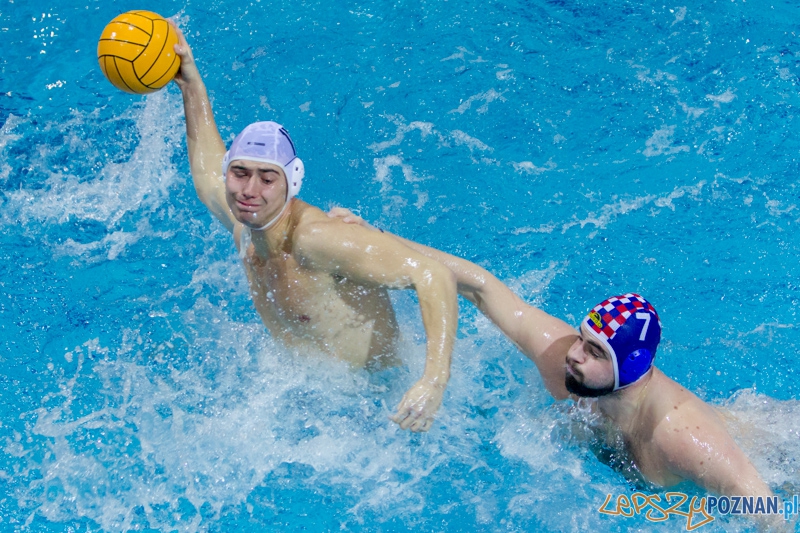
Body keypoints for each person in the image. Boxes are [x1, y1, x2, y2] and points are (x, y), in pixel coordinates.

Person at [329, 209, 775, 501]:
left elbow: (769, 512)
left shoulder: (683, 439)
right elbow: (480, 287)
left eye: (594, 351)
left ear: (632, 368)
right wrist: (377, 239)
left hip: (776, 454)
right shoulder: (569, 363)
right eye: (582, 338)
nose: (574, 355)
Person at [169, 25, 458, 433]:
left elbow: (434, 275)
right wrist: (191, 87)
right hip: (317, 400)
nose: (249, 190)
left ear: (292, 183)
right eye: (239, 173)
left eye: (267, 178)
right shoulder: (247, 227)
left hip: (387, 404)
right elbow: (205, 176)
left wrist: (432, 382)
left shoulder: (315, 239)